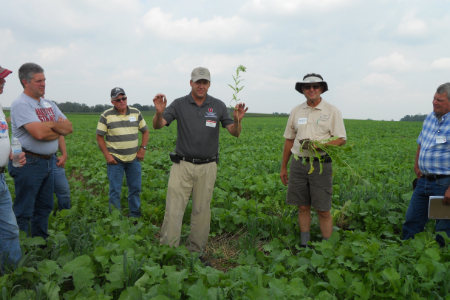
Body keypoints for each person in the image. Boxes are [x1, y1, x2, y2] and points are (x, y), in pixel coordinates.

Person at [153, 67, 248, 257]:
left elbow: (234, 132)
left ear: (209, 84)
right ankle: (168, 250)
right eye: (198, 82)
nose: (201, 86)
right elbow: (158, 126)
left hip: (208, 166)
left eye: (205, 82)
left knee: (201, 210)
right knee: (174, 208)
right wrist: (158, 113)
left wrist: (237, 121)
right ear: (191, 83)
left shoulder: (218, 106)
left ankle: (195, 252)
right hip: (182, 165)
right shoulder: (179, 104)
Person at [280, 73, 346, 247]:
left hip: (321, 165)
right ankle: (304, 245)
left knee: (323, 209)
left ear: (321, 89)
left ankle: (326, 248)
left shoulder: (332, 111)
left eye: (316, 86)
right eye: (308, 87)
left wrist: (320, 146)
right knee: (302, 206)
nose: (311, 89)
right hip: (298, 163)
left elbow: (341, 139)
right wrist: (283, 167)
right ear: (302, 89)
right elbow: (288, 140)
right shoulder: (296, 111)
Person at [8, 62, 73, 240]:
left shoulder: (48, 104)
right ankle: (19, 248)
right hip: (29, 162)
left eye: (44, 80)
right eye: (38, 81)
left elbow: (68, 128)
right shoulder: (21, 104)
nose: (43, 84)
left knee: (44, 207)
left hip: (49, 161)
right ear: (25, 82)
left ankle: (39, 243)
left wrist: (49, 126)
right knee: (24, 209)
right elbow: (38, 134)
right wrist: (55, 126)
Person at [402, 83, 450, 247]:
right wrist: (417, 166)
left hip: (444, 183)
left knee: (444, 226)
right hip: (423, 181)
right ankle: (406, 253)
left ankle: (441, 259)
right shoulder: (430, 117)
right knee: (412, 219)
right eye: (434, 98)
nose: (434, 102)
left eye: (440, 100)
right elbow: (421, 143)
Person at [96, 87, 149, 218]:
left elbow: (145, 131)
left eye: (123, 98)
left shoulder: (136, 112)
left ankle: (135, 215)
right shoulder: (106, 115)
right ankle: (115, 218)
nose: (121, 101)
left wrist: (142, 148)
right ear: (112, 101)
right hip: (115, 160)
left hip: (134, 159)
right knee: (115, 191)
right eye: (118, 99)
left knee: (135, 189)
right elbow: (99, 136)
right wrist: (107, 155)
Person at [0, 65, 25, 271]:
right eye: (1, 78)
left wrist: (9, 153)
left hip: (1, 178)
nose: (4, 82)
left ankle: (11, 275)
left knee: (10, 230)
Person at [53, 136, 70, 210]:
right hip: (31, 160)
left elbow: (59, 134)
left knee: (63, 190)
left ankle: (65, 216)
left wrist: (64, 155)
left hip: (52, 158)